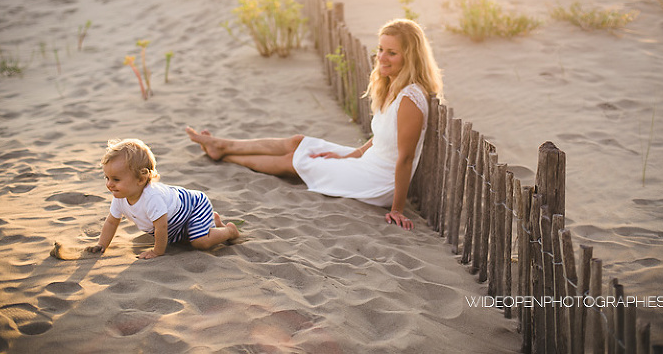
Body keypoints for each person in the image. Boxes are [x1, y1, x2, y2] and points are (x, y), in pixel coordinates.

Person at [186, 18, 443, 231]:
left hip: (378, 180)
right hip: (368, 162)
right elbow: (382, 138)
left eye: (392, 53)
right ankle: (222, 145)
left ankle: (227, 156)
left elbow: (406, 158)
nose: (381, 57)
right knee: (298, 142)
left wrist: (396, 208)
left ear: (409, 57)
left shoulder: (410, 98)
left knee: (294, 161)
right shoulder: (392, 84)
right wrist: (349, 155)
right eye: (381, 49)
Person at [88, 138, 240, 259]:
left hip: (193, 207)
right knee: (183, 240)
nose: (109, 184)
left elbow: (161, 228)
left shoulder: (152, 198)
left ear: (141, 179)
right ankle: (212, 222)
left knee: (199, 242)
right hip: (175, 222)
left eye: (116, 179)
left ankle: (229, 231)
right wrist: (102, 244)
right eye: (106, 178)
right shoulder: (120, 197)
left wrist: (157, 252)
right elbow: (111, 221)